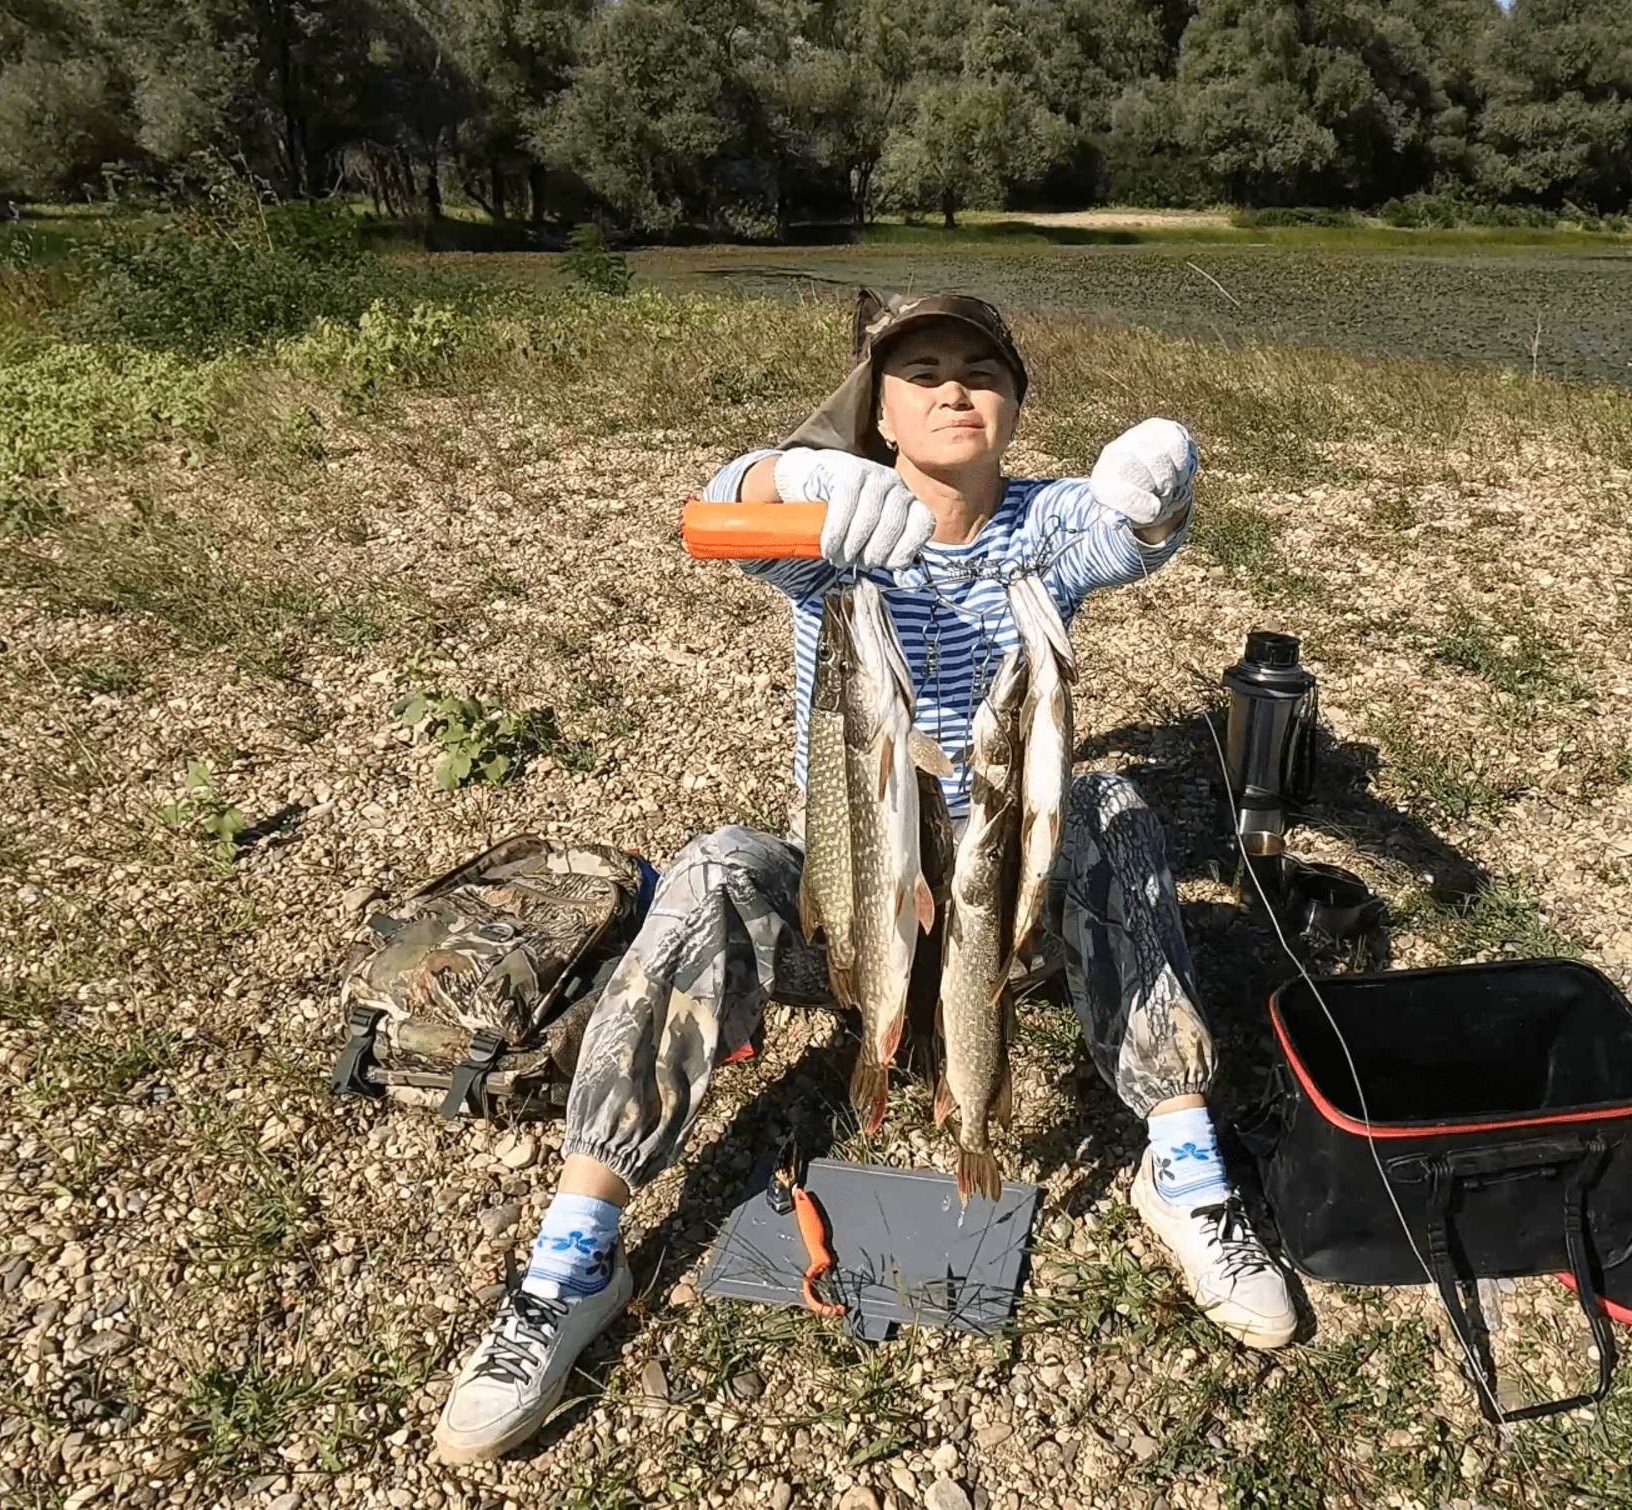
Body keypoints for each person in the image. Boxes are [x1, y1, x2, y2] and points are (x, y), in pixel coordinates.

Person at [432, 290, 1296, 1464]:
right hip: (852, 917)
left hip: (1008, 915)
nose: (953, 390)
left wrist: (1162, 485)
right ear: (877, 409)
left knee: (1116, 803)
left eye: (981, 372)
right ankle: (576, 1252)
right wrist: (783, 482)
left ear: (1014, 407)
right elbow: (711, 515)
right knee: (716, 866)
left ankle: (1185, 1171)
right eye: (922, 370)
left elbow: (1131, 529)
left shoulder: (1044, 527)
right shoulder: (831, 532)